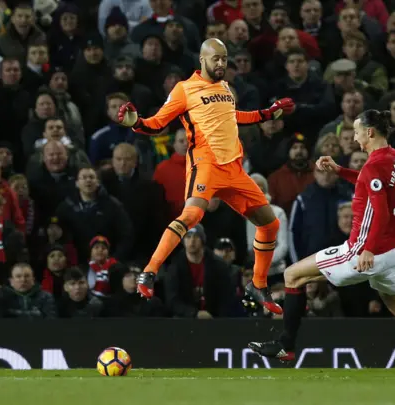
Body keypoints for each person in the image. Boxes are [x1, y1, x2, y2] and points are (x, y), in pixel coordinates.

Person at [248, 109, 395, 378]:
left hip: (365, 249)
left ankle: (286, 346)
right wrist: (339, 170)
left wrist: (367, 248)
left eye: (356, 132)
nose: (354, 138)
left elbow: (379, 209)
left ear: (369, 132)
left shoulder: (374, 164)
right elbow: (370, 183)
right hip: (393, 251)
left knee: (292, 275)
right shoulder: (392, 157)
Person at [117, 38, 295, 314]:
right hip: (206, 163)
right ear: (202, 60)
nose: (222, 64)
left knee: (269, 225)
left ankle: (257, 286)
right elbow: (157, 124)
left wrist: (266, 114)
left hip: (234, 167)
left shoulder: (225, 87)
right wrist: (136, 123)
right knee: (191, 217)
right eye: (217, 59)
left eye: (225, 59)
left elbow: (231, 116)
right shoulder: (184, 89)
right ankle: (150, 272)